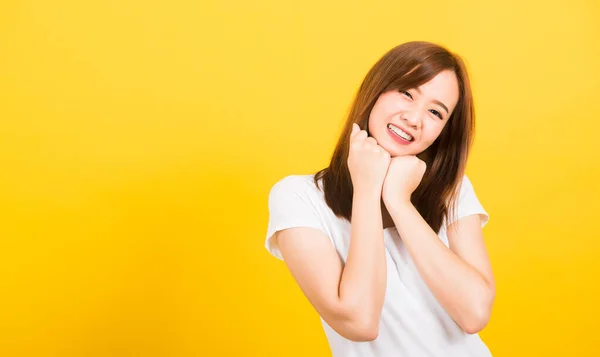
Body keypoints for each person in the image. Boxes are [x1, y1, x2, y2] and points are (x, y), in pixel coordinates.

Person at [264, 41, 495, 357]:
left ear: (443, 130)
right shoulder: (299, 198)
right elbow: (359, 322)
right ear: (377, 89)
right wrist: (367, 189)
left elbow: (475, 313)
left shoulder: (452, 189)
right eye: (407, 93)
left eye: (435, 112)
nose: (414, 118)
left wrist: (399, 202)